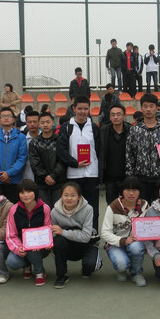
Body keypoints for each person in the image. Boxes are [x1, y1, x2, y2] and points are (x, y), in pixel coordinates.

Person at [56, 95, 101, 233]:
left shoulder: (94, 127)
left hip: (91, 174)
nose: (82, 111)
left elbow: (99, 150)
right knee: (73, 206)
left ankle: (92, 234)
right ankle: (73, 234)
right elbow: (61, 151)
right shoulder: (66, 127)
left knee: (92, 207)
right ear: (74, 108)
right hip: (73, 174)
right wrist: (75, 163)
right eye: (80, 108)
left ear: (89, 109)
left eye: (85, 109)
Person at [51, 182, 102, 289]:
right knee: (58, 242)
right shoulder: (54, 212)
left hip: (85, 244)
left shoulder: (88, 209)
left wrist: (63, 232)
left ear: (79, 197)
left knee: (92, 265)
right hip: (67, 245)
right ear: (61, 196)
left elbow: (86, 236)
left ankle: (86, 268)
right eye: (66, 195)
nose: (69, 198)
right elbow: (54, 234)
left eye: (73, 195)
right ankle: (62, 275)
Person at [101, 176, 149, 287]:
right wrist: (123, 241)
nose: (131, 193)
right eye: (127, 190)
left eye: (135, 190)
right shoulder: (113, 206)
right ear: (122, 191)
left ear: (139, 192)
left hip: (135, 242)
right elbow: (105, 232)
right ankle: (121, 270)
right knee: (121, 264)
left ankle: (136, 272)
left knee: (136, 248)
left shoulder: (145, 205)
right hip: (116, 243)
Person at [125, 93, 160, 203]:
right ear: (141, 108)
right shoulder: (134, 130)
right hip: (140, 178)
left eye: (151, 106)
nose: (148, 109)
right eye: (145, 106)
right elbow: (129, 154)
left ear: (156, 107)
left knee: (159, 210)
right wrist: (130, 177)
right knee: (142, 210)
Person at [6, 179, 52, 286]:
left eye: (28, 191)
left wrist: (43, 244)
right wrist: (19, 248)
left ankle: (39, 272)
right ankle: (27, 265)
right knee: (12, 262)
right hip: (22, 246)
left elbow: (48, 230)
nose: (25, 195)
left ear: (35, 192)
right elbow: (10, 235)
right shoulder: (13, 210)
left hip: (41, 247)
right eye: (22, 192)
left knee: (32, 250)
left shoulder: (45, 208)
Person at [0, 107, 28, 202]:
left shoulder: (21, 137)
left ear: (13, 119)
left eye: (8, 116)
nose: (6, 118)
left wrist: (8, 173)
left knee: (13, 207)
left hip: (14, 180)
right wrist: (0, 174)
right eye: (3, 116)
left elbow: (22, 158)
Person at [29, 112, 67, 208]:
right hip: (41, 183)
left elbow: (63, 160)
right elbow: (35, 163)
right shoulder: (34, 142)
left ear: (53, 123)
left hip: (58, 182)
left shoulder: (60, 140)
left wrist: (53, 175)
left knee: (58, 210)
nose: (45, 125)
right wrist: (45, 176)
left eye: (48, 122)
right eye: (42, 123)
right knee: (45, 209)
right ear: (39, 124)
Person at [99, 103, 132, 205]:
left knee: (127, 205)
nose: (115, 117)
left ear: (124, 116)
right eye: (112, 115)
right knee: (111, 206)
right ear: (109, 117)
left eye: (118, 114)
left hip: (127, 177)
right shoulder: (103, 131)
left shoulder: (131, 130)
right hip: (110, 177)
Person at [21, 110, 40, 180]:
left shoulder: (46, 139)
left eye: (35, 121)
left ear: (39, 122)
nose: (32, 124)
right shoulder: (22, 141)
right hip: (26, 177)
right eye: (29, 122)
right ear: (26, 123)